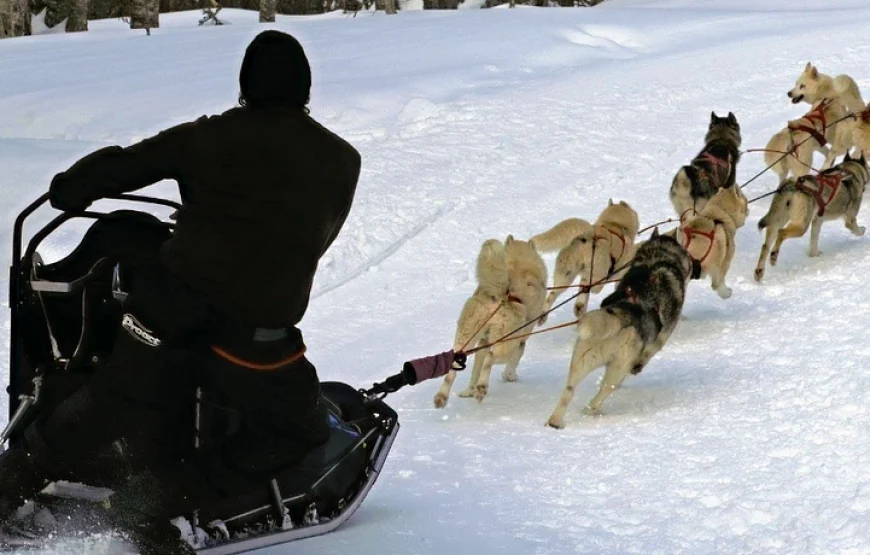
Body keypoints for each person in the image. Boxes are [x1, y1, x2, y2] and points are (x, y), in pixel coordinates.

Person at [0, 29, 361, 554]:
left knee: (105, 404)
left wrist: (68, 187)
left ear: (246, 86)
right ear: (304, 89)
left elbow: (115, 169)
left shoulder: (208, 136)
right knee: (297, 431)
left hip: (163, 317)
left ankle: (13, 479)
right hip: (253, 342)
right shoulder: (341, 160)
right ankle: (155, 497)